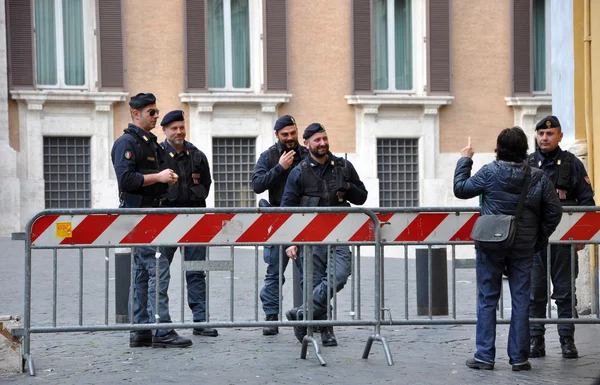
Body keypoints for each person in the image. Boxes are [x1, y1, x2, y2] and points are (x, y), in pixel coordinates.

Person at [454, 127, 562, 371]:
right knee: (522, 300)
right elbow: (554, 212)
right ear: (524, 148)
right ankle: (519, 358)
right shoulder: (538, 177)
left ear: (498, 147)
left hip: (490, 244)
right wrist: (538, 238)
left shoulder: (489, 172)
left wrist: (465, 159)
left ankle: (484, 356)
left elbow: (461, 189)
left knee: (487, 298)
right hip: (523, 247)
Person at [111, 93, 192, 349]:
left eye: (156, 111)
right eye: (151, 112)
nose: (156, 116)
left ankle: (142, 329)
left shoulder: (149, 143)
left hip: (152, 216)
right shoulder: (127, 143)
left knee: (143, 274)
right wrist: (158, 178)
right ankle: (162, 329)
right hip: (139, 217)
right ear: (136, 114)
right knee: (158, 270)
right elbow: (126, 180)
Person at [282, 123, 368, 347]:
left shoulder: (344, 166)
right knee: (314, 283)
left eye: (324, 138)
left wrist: (347, 186)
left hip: (339, 236)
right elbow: (286, 210)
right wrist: (290, 242)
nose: (322, 143)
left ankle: (301, 313)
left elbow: (362, 198)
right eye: (317, 140)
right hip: (309, 239)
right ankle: (326, 330)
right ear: (306, 144)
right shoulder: (298, 172)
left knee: (338, 277)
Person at [527, 115, 595, 359]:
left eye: (550, 134)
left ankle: (567, 340)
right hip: (534, 243)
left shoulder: (571, 163)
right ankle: (536, 341)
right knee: (535, 293)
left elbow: (587, 201)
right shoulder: (528, 163)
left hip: (564, 243)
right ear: (536, 136)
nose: (545, 138)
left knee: (565, 293)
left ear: (560, 136)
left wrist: (581, 237)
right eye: (541, 134)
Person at [157, 110, 218, 338]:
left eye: (181, 127)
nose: (179, 131)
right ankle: (160, 322)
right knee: (160, 273)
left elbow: (206, 183)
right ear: (164, 130)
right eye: (174, 128)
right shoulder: (157, 155)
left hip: (194, 222)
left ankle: (200, 321)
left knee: (196, 272)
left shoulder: (197, 156)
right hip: (165, 223)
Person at [252, 115, 308, 336]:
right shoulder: (269, 156)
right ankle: (271, 317)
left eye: (293, 133)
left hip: (305, 220)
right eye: (285, 134)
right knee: (275, 271)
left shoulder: (306, 153)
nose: (290, 138)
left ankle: (311, 315)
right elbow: (257, 184)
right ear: (277, 135)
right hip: (278, 220)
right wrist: (279, 168)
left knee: (309, 272)